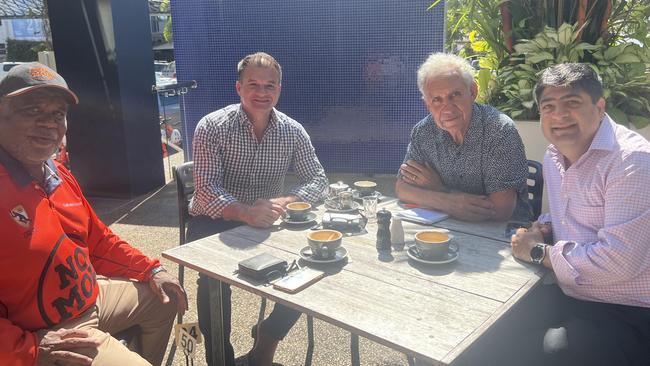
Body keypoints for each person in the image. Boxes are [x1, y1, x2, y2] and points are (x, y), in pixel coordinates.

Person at [0, 62, 188, 366]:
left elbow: (98, 240)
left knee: (165, 300)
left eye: (57, 114)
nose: (49, 123)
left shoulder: (57, 173)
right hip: (51, 331)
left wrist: (152, 270)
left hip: (89, 299)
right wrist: (28, 349)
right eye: (32, 110)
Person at [478, 63, 650, 366]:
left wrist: (538, 252)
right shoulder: (555, 155)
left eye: (572, 103)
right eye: (549, 106)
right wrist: (541, 227)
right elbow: (567, 216)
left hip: (628, 312)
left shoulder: (631, 162)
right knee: (481, 332)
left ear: (599, 107)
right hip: (571, 296)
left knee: (538, 355)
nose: (559, 115)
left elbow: (619, 261)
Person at [188, 52, 328, 366]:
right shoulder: (211, 127)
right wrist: (244, 211)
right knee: (213, 282)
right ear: (238, 88)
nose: (262, 93)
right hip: (214, 218)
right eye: (254, 84)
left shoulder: (292, 131)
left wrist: (283, 202)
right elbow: (207, 191)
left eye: (270, 86)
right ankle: (219, 360)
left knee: (314, 266)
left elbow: (318, 180)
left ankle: (268, 336)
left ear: (279, 89)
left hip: (266, 222)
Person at [396, 53, 530, 222]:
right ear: (427, 104)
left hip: (502, 235)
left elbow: (500, 210)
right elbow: (403, 189)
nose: (448, 108)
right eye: (437, 99)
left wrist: (440, 190)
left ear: (472, 91)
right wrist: (449, 201)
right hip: (446, 228)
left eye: (455, 95)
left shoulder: (499, 130)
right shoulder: (423, 131)